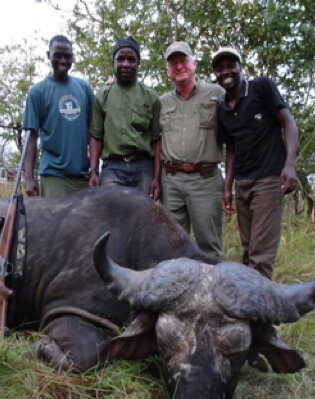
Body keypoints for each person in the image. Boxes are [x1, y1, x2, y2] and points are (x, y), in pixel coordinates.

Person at [213, 47, 299, 279]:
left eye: (231, 65)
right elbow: (230, 149)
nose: (226, 72)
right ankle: (249, 307)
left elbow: (288, 123)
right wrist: (227, 187)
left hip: (267, 180)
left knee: (261, 257)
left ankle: (261, 313)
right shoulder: (222, 109)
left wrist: (289, 164)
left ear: (240, 67)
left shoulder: (262, 87)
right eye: (219, 69)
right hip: (242, 182)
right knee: (248, 250)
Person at [159, 42, 226, 260]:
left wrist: (252, 86)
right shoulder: (161, 102)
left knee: (209, 245)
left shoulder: (217, 93)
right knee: (172, 247)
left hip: (205, 180)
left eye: (183, 61)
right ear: (168, 71)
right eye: (173, 63)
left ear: (194, 64)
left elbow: (239, 113)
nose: (179, 67)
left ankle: (214, 293)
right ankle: (177, 293)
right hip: (171, 180)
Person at [88, 36, 161, 198]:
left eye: (131, 60)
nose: (126, 64)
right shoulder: (102, 96)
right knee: (111, 219)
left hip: (143, 168)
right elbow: (95, 135)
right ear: (113, 62)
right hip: (112, 169)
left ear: (138, 63)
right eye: (120, 59)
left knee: (143, 219)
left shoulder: (151, 97)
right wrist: (93, 170)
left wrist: (156, 177)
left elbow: (157, 140)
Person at [23, 35, 94, 197]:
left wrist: (94, 168)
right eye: (58, 55)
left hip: (83, 176)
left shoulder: (84, 88)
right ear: (48, 55)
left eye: (67, 56)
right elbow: (31, 137)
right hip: (54, 175)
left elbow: (95, 131)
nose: (63, 61)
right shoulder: (37, 92)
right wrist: (29, 178)